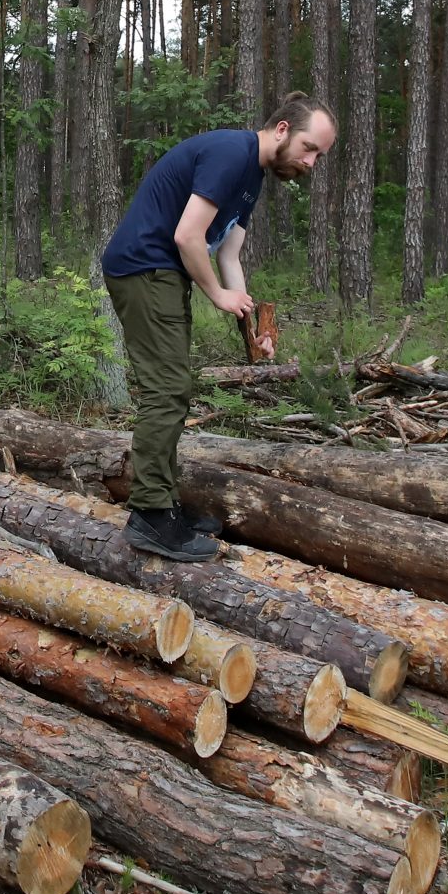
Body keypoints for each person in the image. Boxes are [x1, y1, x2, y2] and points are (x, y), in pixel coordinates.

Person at [100, 93, 336, 561]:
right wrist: (216, 295)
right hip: (144, 267)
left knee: (174, 387)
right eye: (310, 148)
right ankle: (149, 514)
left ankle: (162, 505)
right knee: (166, 389)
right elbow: (187, 236)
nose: (311, 162)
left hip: (163, 273)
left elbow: (228, 255)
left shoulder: (252, 178)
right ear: (284, 128)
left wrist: (252, 329)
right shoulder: (232, 153)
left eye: (319, 157)